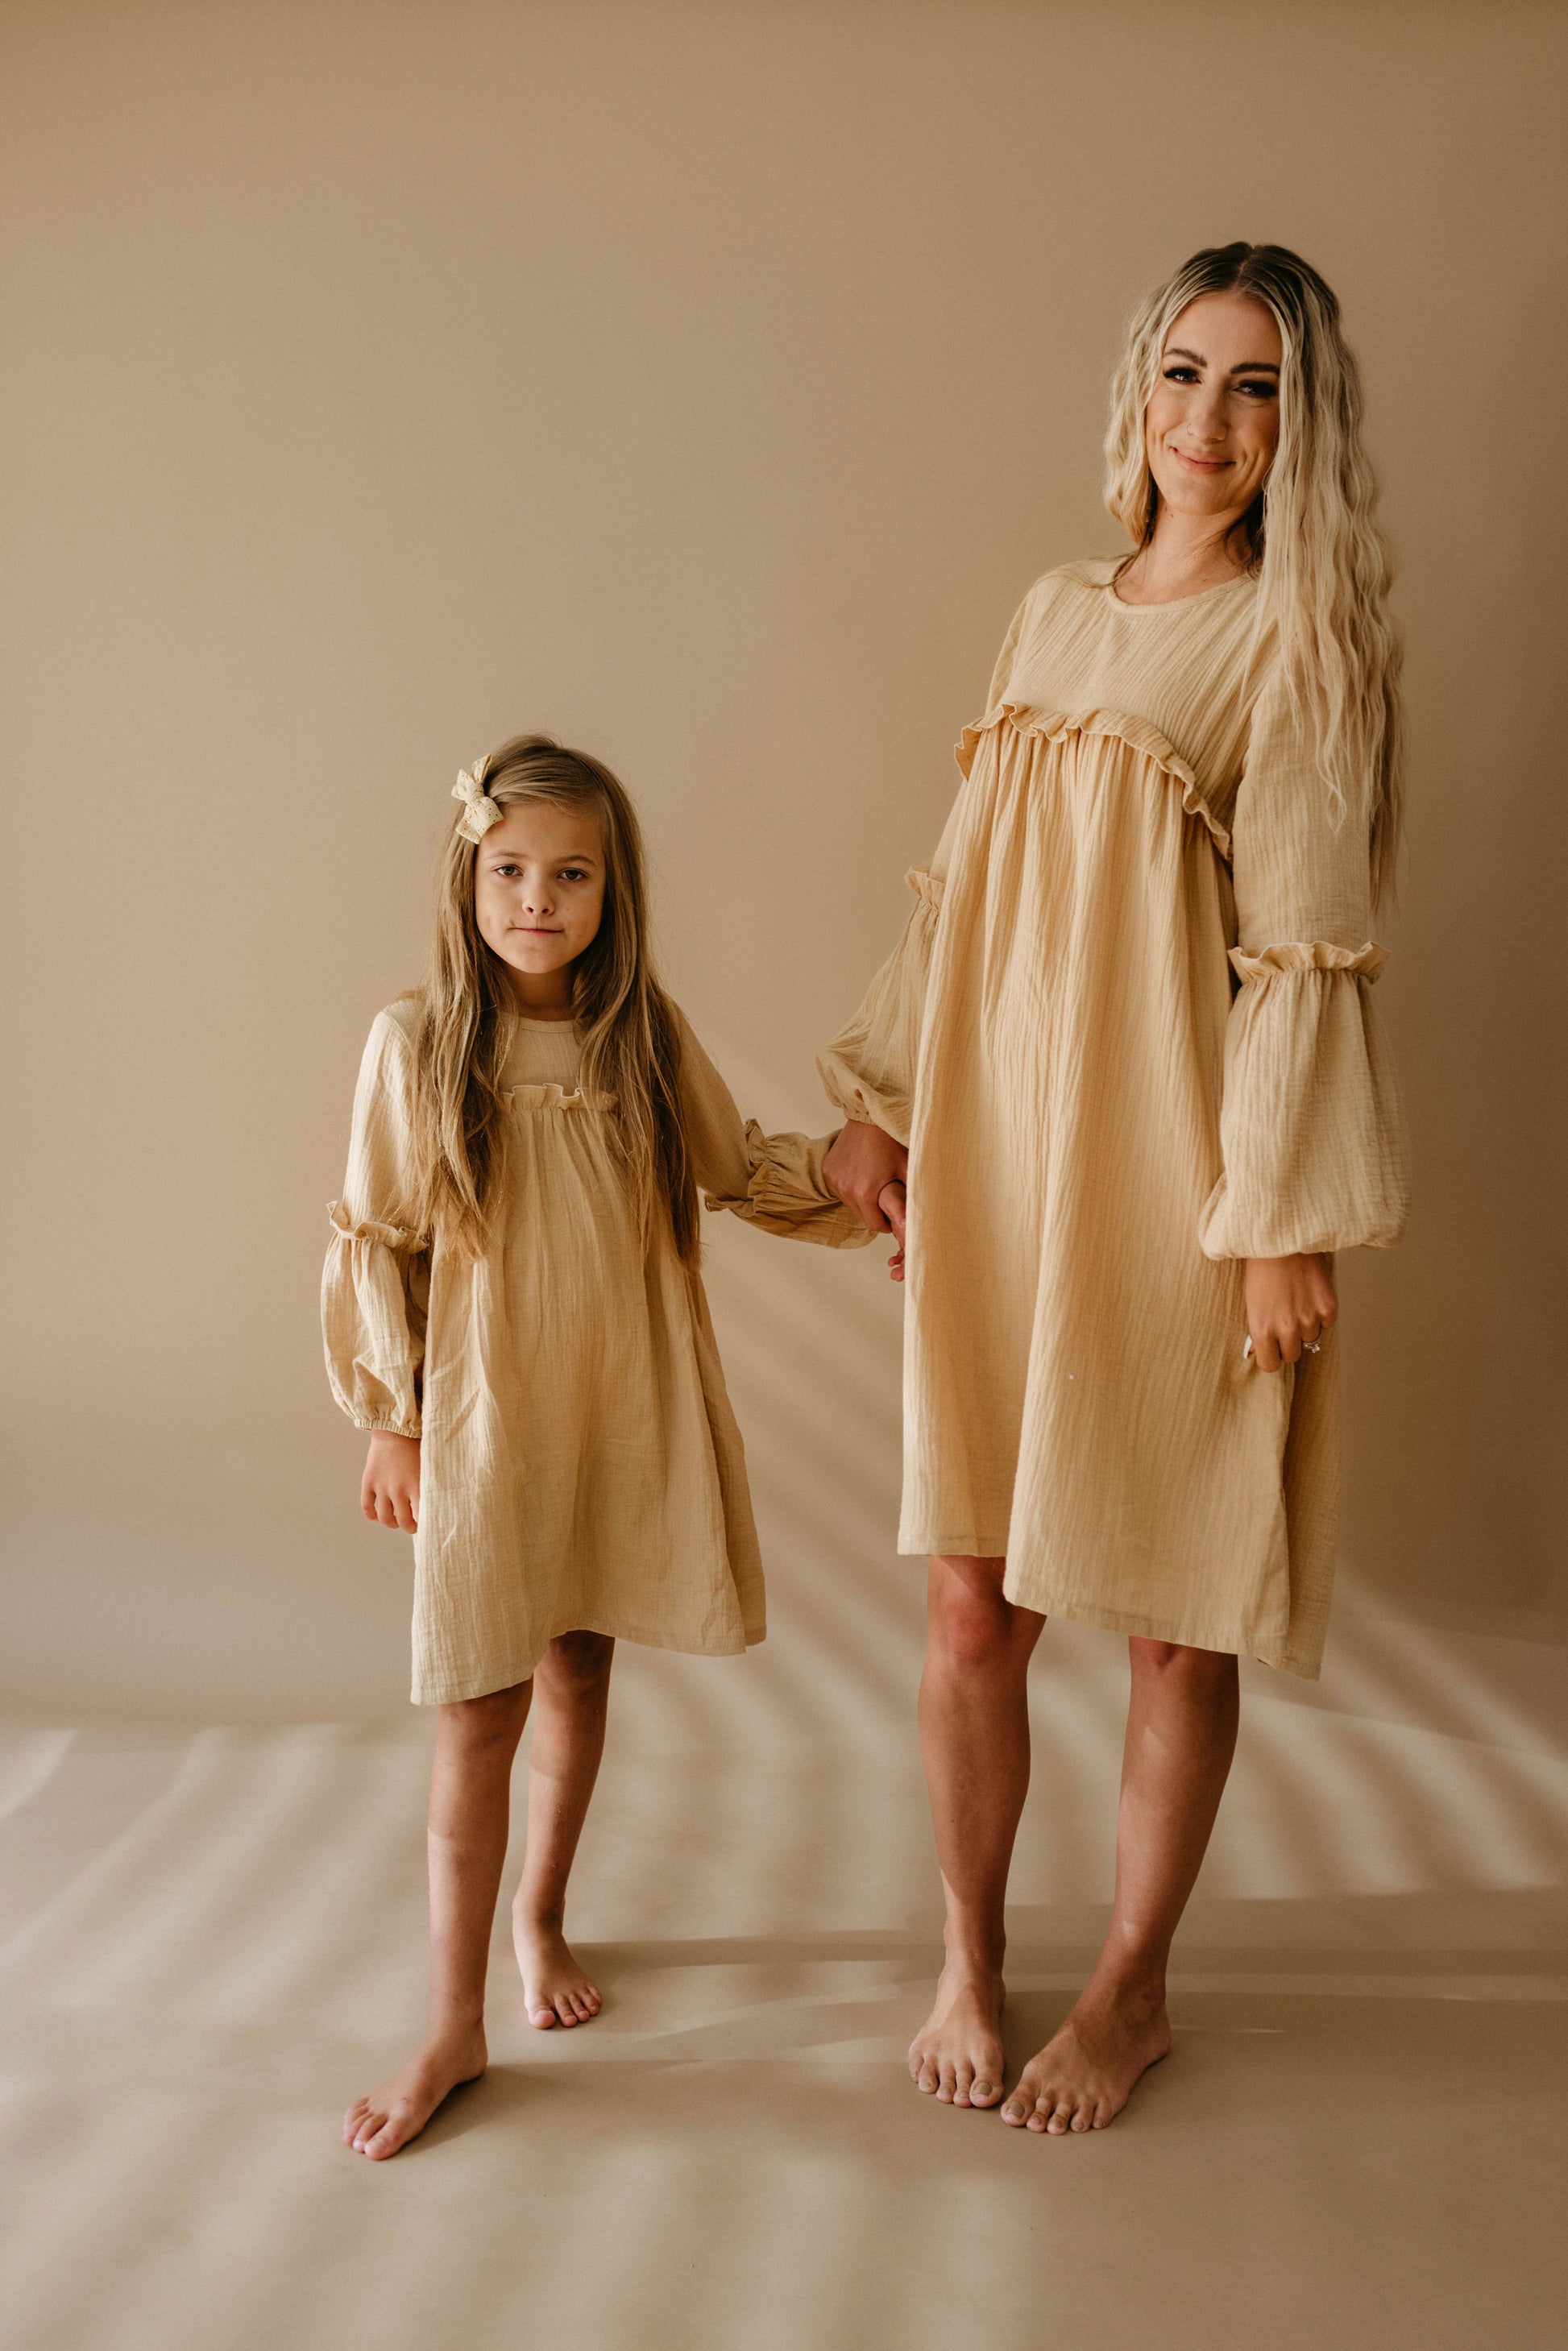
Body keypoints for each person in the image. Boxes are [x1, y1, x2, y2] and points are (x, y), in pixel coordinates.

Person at [819, 243, 1410, 2135]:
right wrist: (886, 1094)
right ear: (1134, 391)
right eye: (1183, 373)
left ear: (1298, 427)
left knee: (1174, 1607)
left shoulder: (1294, 643)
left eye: (1255, 388)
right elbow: (958, 878)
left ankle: (1133, 1986)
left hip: (1180, 1175)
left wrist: (1279, 1220)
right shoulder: (1049, 611)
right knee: (974, 1602)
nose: (1208, 423)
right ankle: (970, 1957)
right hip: (1005, 1153)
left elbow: (1304, 947)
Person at [324, 735, 865, 2158]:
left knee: (580, 1661)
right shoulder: (421, 1044)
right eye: (510, 870)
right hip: (492, 1423)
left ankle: (540, 1913)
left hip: (618, 1403)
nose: (538, 900)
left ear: (612, 893)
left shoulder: (638, 1037)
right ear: (467, 877)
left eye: (571, 875)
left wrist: (855, 1177)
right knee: (479, 1706)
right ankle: (450, 2015)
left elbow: (738, 1166)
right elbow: (375, 1236)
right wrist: (393, 1414)